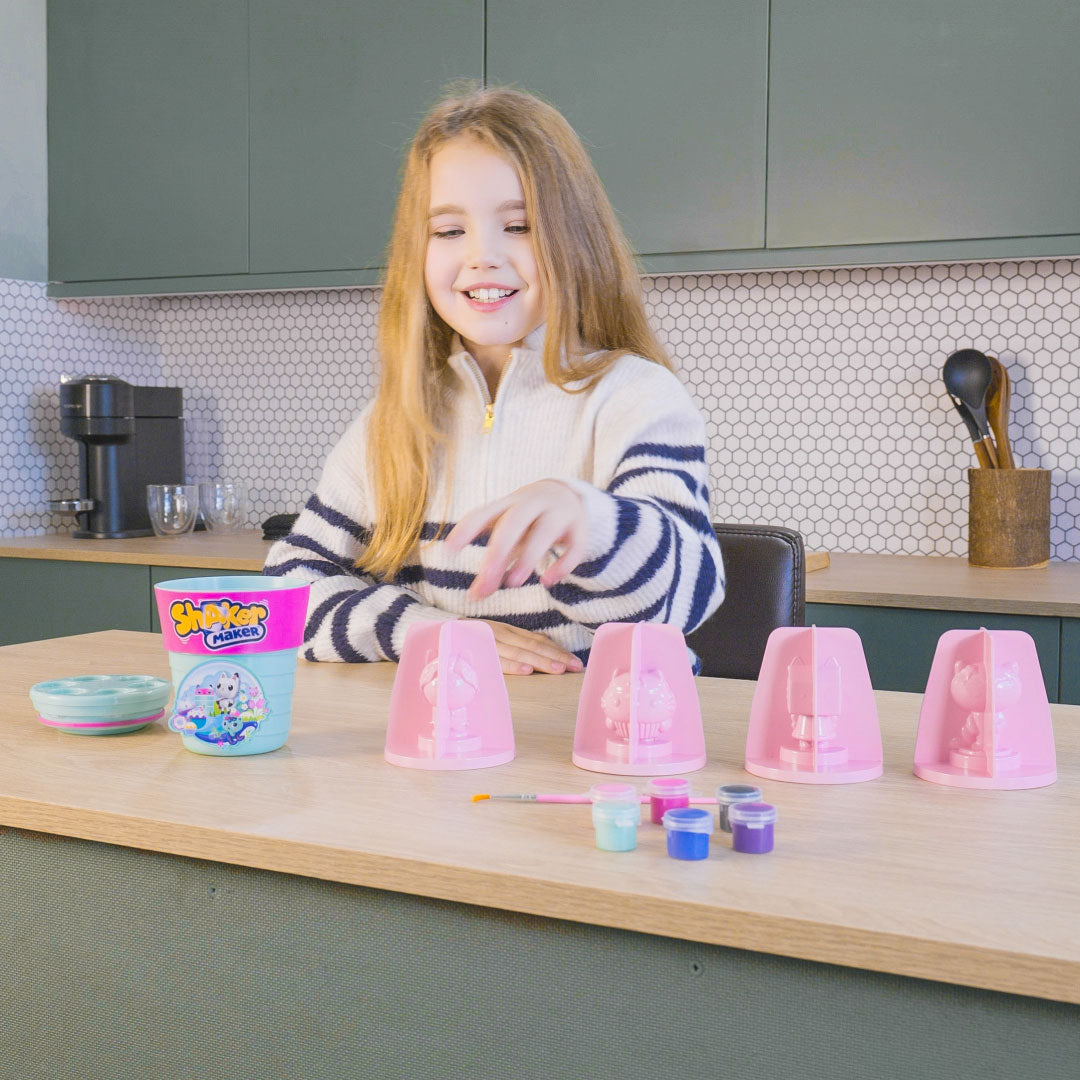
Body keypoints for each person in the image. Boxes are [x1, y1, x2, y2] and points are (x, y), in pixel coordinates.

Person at [264, 85, 724, 675]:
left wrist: (593, 525)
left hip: (602, 740)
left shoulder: (636, 396)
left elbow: (684, 597)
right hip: (447, 745)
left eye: (521, 225)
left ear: (575, 239)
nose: (482, 256)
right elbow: (284, 594)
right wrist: (430, 633)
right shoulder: (394, 418)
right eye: (449, 231)